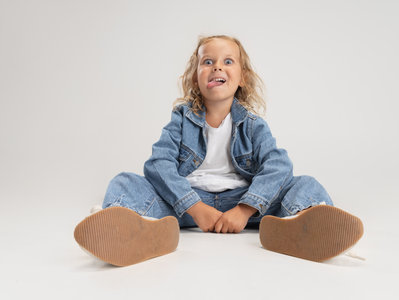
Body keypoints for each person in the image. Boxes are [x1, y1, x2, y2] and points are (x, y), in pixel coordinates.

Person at [74, 35, 364, 267]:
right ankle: (134, 228)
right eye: (208, 61)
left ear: (243, 77)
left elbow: (278, 165)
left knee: (304, 184)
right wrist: (195, 207)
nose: (216, 67)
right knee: (125, 181)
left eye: (227, 61)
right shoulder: (181, 119)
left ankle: (303, 223)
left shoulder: (252, 124)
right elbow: (158, 164)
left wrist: (245, 209)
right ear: (195, 77)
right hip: (186, 205)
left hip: (246, 206)